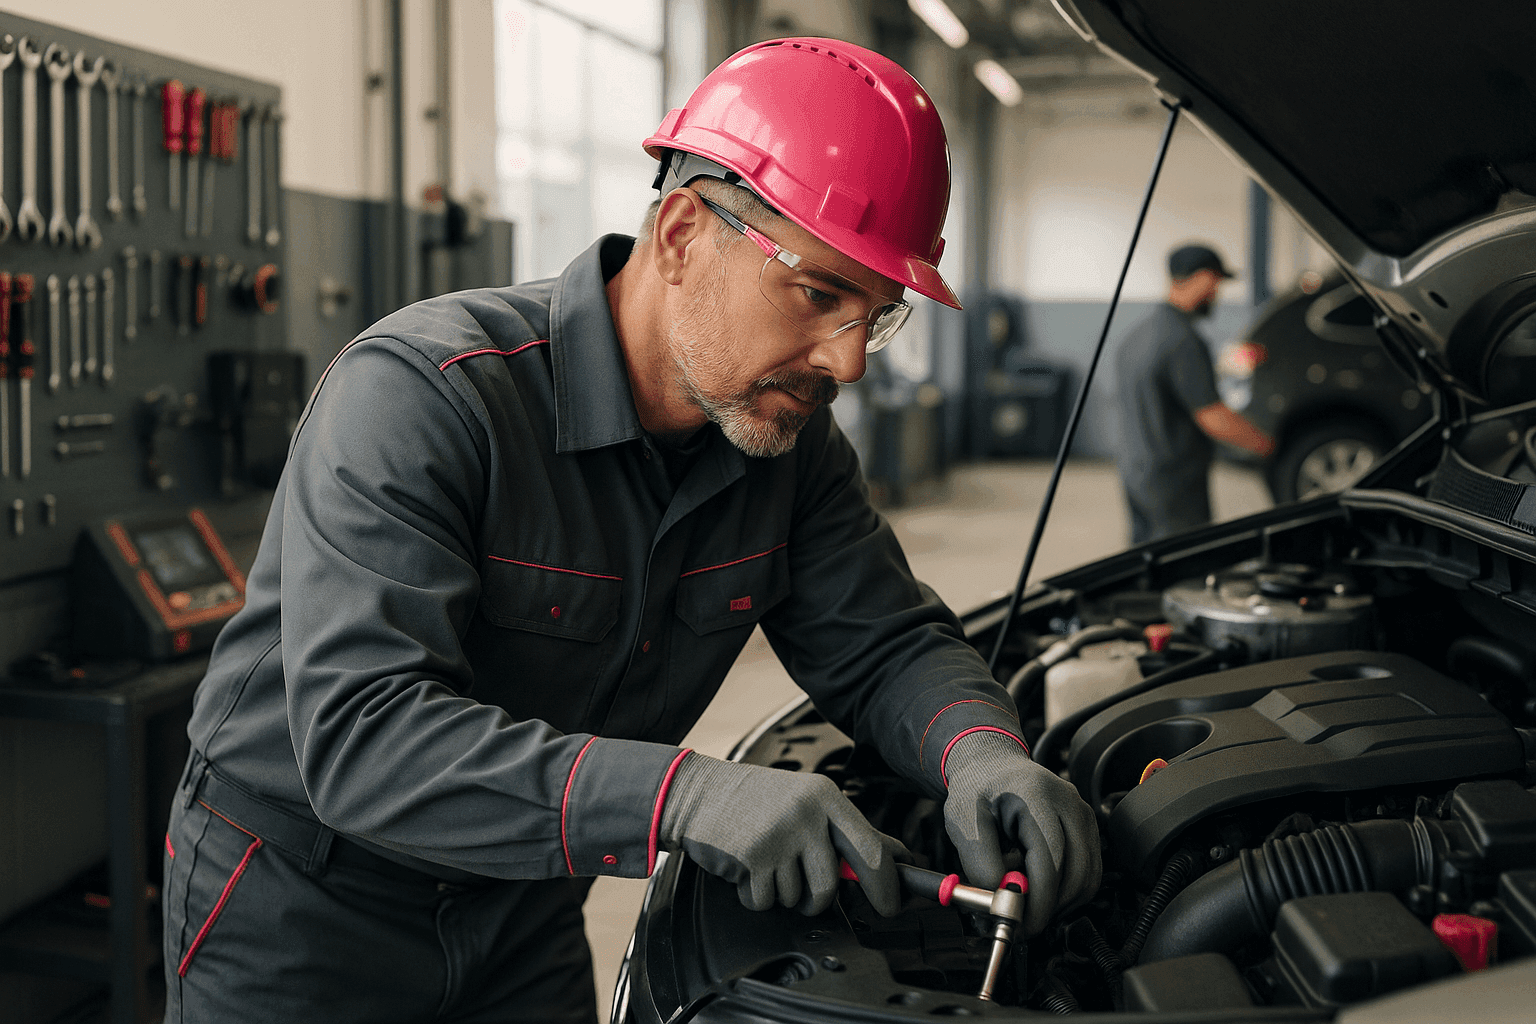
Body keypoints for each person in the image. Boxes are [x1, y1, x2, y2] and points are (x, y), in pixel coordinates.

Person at [161, 37, 1099, 1023]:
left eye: (878, 315)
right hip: (303, 907)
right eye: (821, 294)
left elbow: (885, 639)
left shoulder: (789, 446)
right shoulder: (425, 398)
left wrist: (980, 750)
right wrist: (681, 797)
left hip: (523, 898)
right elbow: (364, 737)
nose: (850, 362)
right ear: (685, 232)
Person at [1114, 243, 1275, 543]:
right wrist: (1268, 445)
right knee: (1183, 568)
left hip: (1135, 471)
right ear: (1201, 277)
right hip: (1175, 482)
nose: (1217, 292)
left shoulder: (1137, 336)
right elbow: (1213, 417)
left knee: (1145, 564)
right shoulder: (1184, 341)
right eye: (1216, 281)